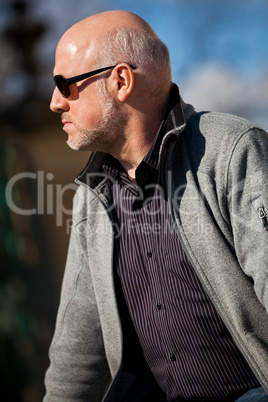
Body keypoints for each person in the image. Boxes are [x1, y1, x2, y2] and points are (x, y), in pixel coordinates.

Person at [44, 10, 268, 402]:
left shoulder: (232, 151)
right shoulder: (92, 194)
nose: (54, 103)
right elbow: (78, 350)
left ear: (120, 81)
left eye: (65, 84)